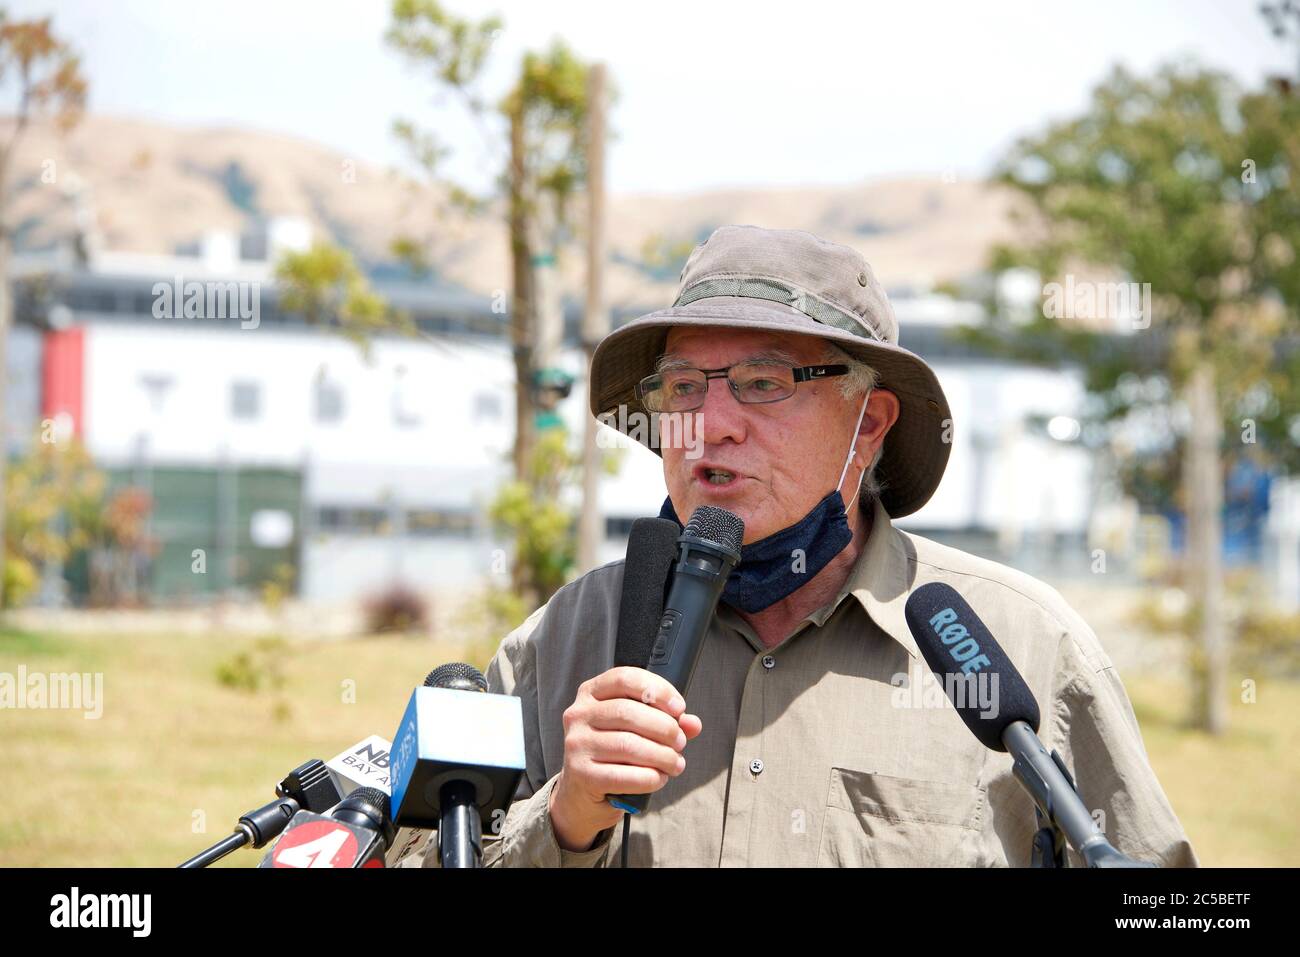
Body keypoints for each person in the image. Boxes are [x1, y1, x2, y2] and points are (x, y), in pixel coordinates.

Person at [425, 224, 1197, 867]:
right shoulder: (567, 637)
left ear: (869, 423)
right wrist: (565, 819)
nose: (712, 423)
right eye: (685, 386)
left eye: (764, 382)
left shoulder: (1018, 646)